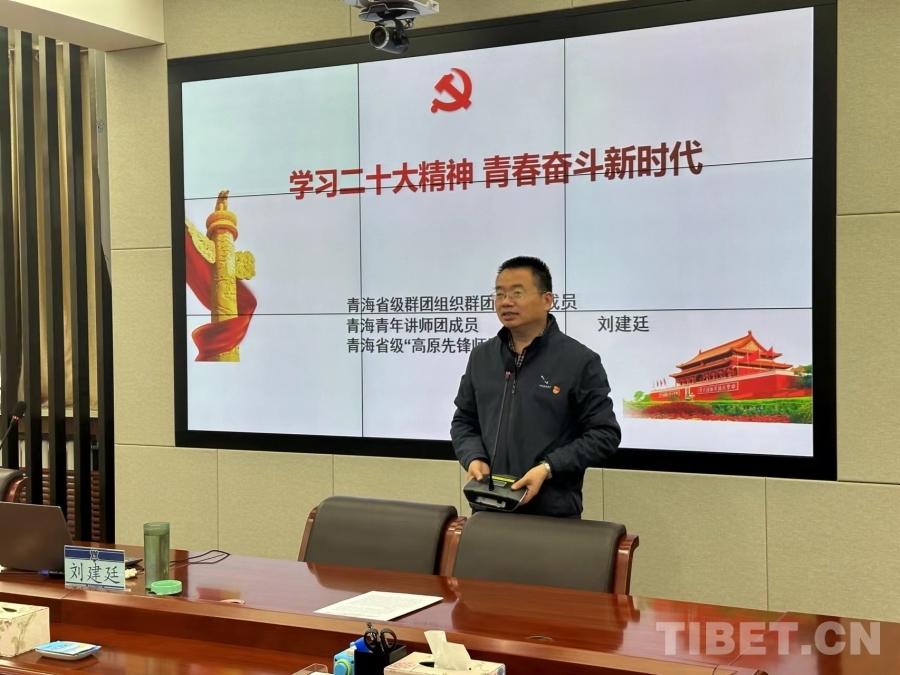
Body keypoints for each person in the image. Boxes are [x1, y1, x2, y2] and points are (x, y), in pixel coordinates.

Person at [450, 256, 621, 518]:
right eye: (500, 294)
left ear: (547, 300)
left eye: (517, 293)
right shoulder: (481, 357)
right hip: (488, 508)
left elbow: (604, 434)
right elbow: (464, 421)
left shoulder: (579, 361)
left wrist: (548, 468)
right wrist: (473, 457)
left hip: (551, 514)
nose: (506, 302)